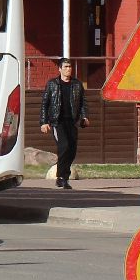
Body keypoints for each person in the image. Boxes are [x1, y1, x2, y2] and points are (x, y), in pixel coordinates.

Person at [39, 58, 89, 189]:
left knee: (72, 150)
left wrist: (84, 117)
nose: (68, 69)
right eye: (66, 67)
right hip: (57, 121)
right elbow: (45, 103)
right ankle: (62, 177)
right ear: (60, 69)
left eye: (70, 67)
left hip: (72, 121)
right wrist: (44, 122)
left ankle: (63, 178)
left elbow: (83, 102)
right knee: (64, 146)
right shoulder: (52, 84)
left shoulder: (77, 84)